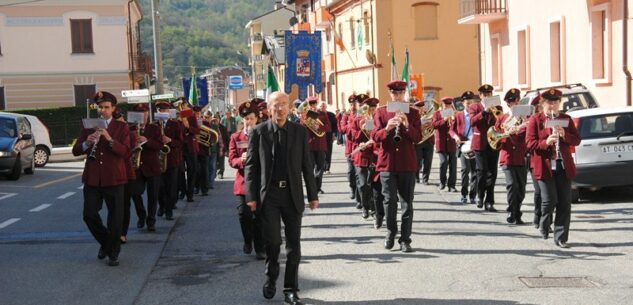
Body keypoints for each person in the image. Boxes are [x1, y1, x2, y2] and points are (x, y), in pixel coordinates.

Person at [245, 92, 318, 305]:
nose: (280, 109)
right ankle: (271, 276)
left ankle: (291, 290)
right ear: (268, 108)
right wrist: (251, 195)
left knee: (294, 245)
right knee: (274, 242)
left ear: (289, 107)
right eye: (276, 105)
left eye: (284, 105)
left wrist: (312, 195)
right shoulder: (259, 132)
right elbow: (251, 166)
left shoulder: (299, 132)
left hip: (292, 195)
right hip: (269, 195)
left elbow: (307, 164)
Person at [72, 91, 131, 266]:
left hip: (114, 178)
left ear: (113, 109)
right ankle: (107, 243)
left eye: (106, 107)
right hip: (93, 178)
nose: (103, 110)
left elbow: (126, 152)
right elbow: (76, 150)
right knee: (89, 215)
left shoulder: (122, 128)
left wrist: (109, 138)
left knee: (115, 217)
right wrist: (87, 143)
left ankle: (113, 252)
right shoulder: (88, 127)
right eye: (100, 107)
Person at [371, 80, 422, 252]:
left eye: (401, 93)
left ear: (404, 94)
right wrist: (386, 128)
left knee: (407, 203)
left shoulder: (413, 113)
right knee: (389, 201)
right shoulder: (381, 112)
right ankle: (391, 232)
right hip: (387, 164)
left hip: (407, 163)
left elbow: (418, 138)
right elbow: (375, 137)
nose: (398, 96)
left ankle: (405, 239)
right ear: (390, 94)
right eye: (395, 93)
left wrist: (407, 126)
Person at [526, 89, 580, 248]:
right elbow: (529, 144)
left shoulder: (566, 119)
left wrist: (565, 135)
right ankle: (544, 222)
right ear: (543, 104)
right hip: (544, 166)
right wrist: (546, 142)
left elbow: (577, 140)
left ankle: (561, 237)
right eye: (549, 103)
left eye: (556, 102)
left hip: (563, 167)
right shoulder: (535, 120)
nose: (553, 106)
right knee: (549, 200)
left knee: (564, 202)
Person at [229, 101, 264, 259]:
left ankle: (259, 247)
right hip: (243, 183)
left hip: (261, 182)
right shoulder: (236, 137)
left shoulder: (264, 134)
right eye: (246, 119)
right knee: (244, 215)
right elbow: (231, 160)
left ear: (256, 118)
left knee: (259, 217)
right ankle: (247, 240)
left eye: (251, 118)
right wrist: (241, 160)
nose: (248, 122)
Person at [127, 103, 163, 231]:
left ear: (148, 114)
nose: (143, 115)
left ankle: (151, 221)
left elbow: (159, 145)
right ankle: (141, 216)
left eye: (145, 113)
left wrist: (146, 140)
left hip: (152, 166)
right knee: (135, 194)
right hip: (136, 167)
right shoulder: (129, 129)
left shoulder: (154, 128)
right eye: (140, 113)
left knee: (153, 196)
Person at [496, 88, 529, 224]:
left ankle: (517, 212)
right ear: (509, 104)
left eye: (518, 101)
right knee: (512, 185)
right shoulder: (502, 118)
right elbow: (496, 136)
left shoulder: (526, 118)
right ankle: (511, 211)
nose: (517, 103)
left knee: (521, 188)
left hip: (520, 156)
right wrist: (507, 134)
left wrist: (522, 126)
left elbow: (528, 136)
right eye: (514, 102)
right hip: (507, 156)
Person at [470, 84, 500, 211]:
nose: (488, 96)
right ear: (481, 95)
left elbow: (500, 122)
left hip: (493, 143)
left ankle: (490, 201)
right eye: (485, 94)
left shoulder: (497, 107)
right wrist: (484, 112)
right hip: (480, 143)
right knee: (482, 171)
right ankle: (480, 195)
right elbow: (472, 121)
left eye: (489, 94)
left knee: (492, 173)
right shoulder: (475, 107)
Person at [157, 101, 184, 221]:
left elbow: (181, 141)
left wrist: (170, 141)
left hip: (172, 159)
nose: (162, 112)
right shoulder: (154, 125)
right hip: (158, 160)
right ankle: (161, 206)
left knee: (171, 187)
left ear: (168, 112)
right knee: (159, 187)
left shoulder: (175, 124)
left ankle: (169, 210)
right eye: (160, 110)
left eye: (165, 111)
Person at [450, 91, 478, 205]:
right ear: (463, 103)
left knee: (475, 171)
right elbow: (451, 129)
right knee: (465, 170)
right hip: (463, 145)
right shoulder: (458, 115)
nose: (469, 105)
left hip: (475, 145)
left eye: (471, 103)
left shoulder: (477, 115)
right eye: (467, 103)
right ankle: (464, 194)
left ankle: (473, 195)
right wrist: (456, 137)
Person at [303, 96, 332, 194]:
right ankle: (311, 188)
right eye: (310, 104)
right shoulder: (305, 115)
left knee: (320, 167)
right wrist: (305, 122)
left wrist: (318, 127)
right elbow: (300, 129)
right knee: (309, 167)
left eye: (314, 103)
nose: (313, 106)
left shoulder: (322, 114)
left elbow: (328, 127)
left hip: (320, 144)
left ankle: (317, 187)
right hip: (309, 144)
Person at [432, 97, 458, 192]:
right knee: (443, 162)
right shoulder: (437, 114)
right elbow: (434, 125)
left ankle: (452, 185)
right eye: (445, 105)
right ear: (442, 105)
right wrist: (444, 119)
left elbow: (458, 126)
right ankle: (442, 182)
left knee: (453, 164)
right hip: (441, 142)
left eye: (449, 105)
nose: (447, 106)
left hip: (451, 142)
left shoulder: (454, 114)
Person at [527, 95, 543, 228]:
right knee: (539, 191)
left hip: (551, 162)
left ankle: (546, 219)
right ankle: (538, 215)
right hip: (534, 160)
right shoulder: (531, 120)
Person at [413, 100, 434, 185]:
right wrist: (420, 126)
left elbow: (435, 124)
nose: (420, 109)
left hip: (429, 140)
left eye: (421, 107)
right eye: (418, 108)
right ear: (415, 108)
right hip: (418, 141)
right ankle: (416, 177)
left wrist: (431, 124)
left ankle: (426, 179)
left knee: (428, 161)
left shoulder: (429, 115)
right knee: (417, 161)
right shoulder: (413, 117)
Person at [322, 102, 338, 174]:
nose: (323, 108)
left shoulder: (331, 115)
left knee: (328, 152)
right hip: (320, 137)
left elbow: (335, 125)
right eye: (321, 106)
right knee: (321, 153)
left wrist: (334, 135)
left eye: (324, 106)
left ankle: (327, 168)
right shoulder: (316, 114)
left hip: (329, 136)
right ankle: (321, 167)